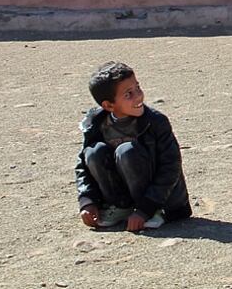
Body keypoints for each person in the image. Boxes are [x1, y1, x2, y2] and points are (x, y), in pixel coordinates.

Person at [75, 62, 191, 231]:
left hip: (163, 201)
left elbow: (170, 167)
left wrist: (146, 209)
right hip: (126, 196)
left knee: (126, 151)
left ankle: (156, 212)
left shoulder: (156, 122)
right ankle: (121, 207)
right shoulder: (96, 124)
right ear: (108, 105)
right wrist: (87, 201)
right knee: (93, 152)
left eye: (138, 88)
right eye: (129, 94)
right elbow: (83, 166)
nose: (138, 96)